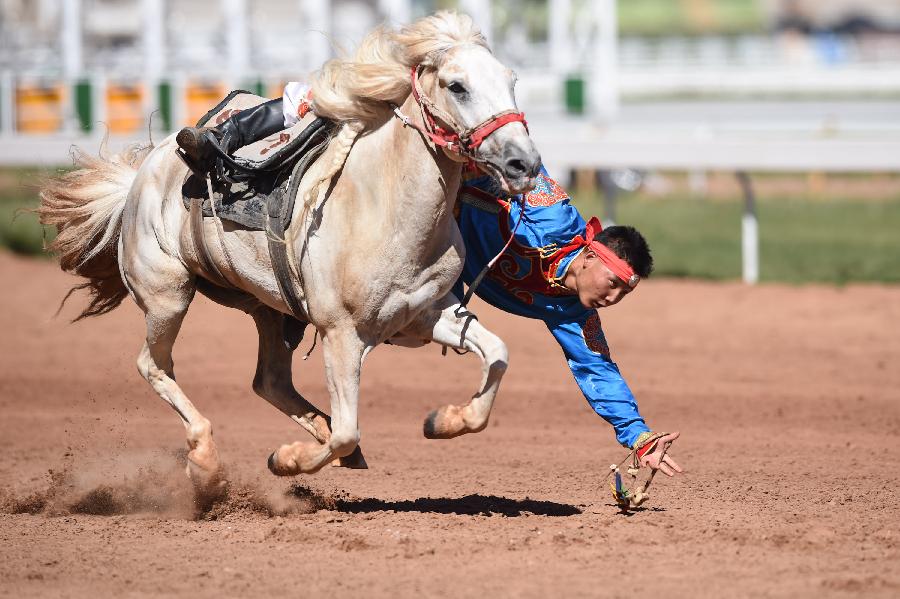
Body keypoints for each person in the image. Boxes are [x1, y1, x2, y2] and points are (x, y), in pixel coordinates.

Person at [176, 84, 682, 475]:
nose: (612, 298)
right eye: (614, 284)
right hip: (425, 213)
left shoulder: (574, 310)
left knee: (404, 330)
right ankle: (238, 140)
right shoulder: (550, 212)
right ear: (593, 255)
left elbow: (597, 368)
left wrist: (638, 438)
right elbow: (512, 165)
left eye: (624, 293)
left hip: (442, 274)